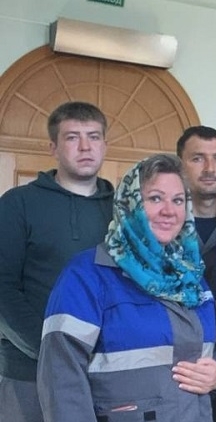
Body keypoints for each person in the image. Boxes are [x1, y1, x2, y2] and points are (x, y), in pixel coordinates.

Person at [37, 154, 216, 421]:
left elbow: (214, 349)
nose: (169, 211)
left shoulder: (192, 277)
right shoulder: (87, 273)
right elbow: (60, 376)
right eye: (155, 198)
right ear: (129, 204)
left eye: (178, 200)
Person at [0, 101, 113, 422]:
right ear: (53, 147)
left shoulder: (123, 209)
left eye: (93, 136)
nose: (85, 147)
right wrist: (54, 352)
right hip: (29, 372)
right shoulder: (18, 204)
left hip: (103, 372)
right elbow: (3, 290)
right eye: (72, 137)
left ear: (105, 144)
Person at [177, 125, 216, 421]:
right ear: (180, 165)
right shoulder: (161, 229)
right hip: (175, 371)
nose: (209, 168)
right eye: (197, 158)